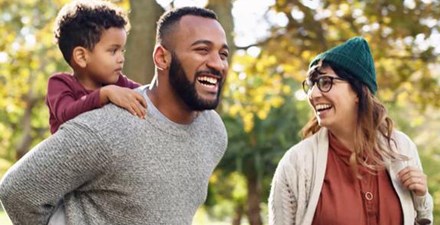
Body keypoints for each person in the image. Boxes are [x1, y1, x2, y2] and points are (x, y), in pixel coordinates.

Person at [0, 6, 229, 225]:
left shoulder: (214, 132)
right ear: (161, 58)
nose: (218, 64)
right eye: (202, 50)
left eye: (223, 54)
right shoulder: (107, 127)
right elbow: (17, 191)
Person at [268, 37, 433, 225]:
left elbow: (422, 218)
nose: (313, 94)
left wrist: (421, 198)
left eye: (325, 82)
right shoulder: (296, 164)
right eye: (311, 84)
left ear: (357, 91)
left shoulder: (402, 148)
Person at [47, 0, 147, 134]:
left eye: (122, 51)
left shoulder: (119, 83)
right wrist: (104, 94)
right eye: (113, 51)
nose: (121, 58)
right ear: (82, 57)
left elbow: (146, 96)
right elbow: (66, 114)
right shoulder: (60, 83)